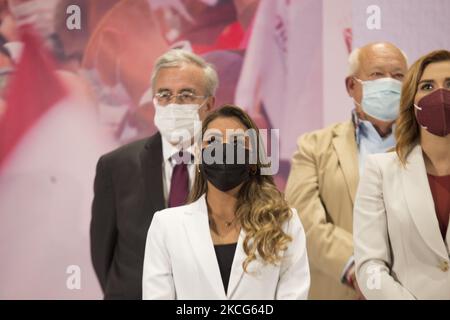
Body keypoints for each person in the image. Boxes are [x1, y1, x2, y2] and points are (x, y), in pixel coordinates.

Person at [142, 105, 310, 299]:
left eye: (237, 142)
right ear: (199, 155)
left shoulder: (284, 222)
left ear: (254, 158)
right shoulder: (166, 226)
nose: (224, 150)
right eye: (212, 141)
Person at [90, 49, 217, 299]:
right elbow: (102, 253)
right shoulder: (116, 166)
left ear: (208, 105)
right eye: (165, 95)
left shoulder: (234, 166)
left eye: (186, 95)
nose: (173, 104)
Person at [285, 42, 408, 299]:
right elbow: (303, 220)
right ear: (352, 86)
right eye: (377, 74)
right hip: (338, 287)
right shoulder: (314, 146)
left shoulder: (427, 147)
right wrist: (359, 270)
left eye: (398, 76)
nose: (389, 82)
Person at [354, 50, 450, 300]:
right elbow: (369, 267)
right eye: (427, 86)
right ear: (412, 100)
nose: (440, 95)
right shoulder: (380, 170)